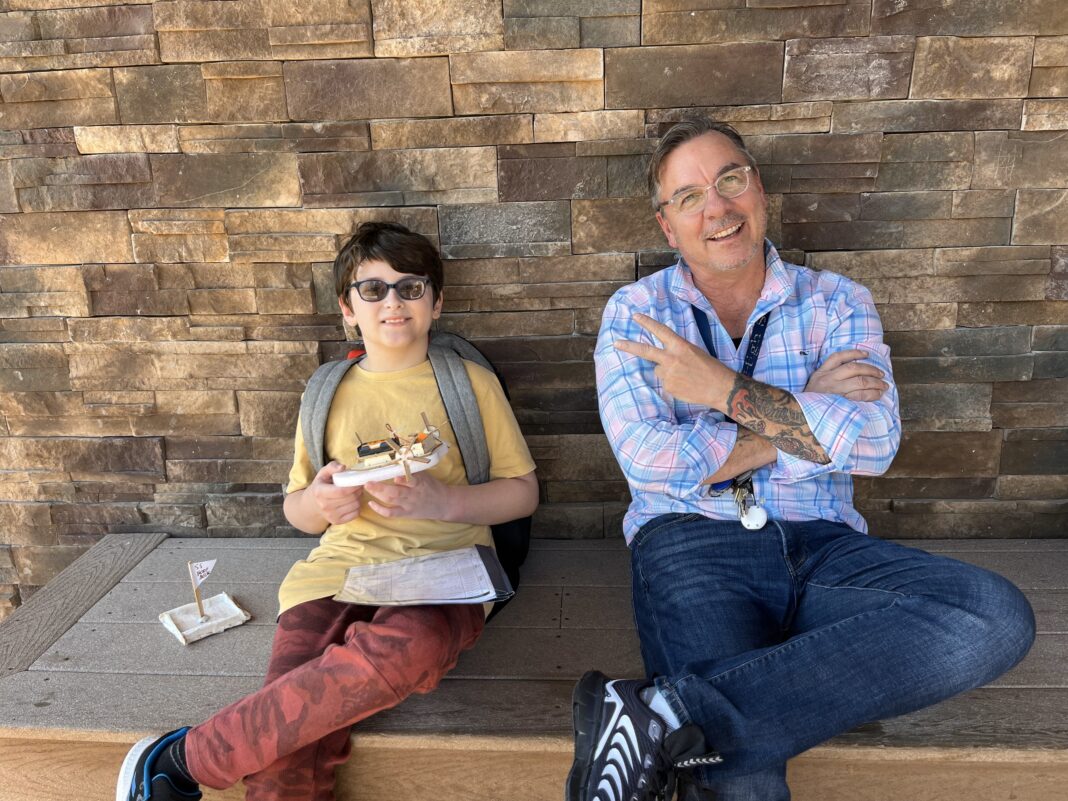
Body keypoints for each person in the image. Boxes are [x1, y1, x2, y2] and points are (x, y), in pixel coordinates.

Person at [565, 119, 1036, 801]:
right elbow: (652, 465)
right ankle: (691, 718)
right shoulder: (636, 315)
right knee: (740, 779)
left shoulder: (838, 301)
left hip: (825, 547)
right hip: (693, 548)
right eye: (689, 196)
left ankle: (664, 715)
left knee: (994, 616)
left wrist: (721, 391)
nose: (717, 208)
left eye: (730, 180)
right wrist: (807, 407)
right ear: (668, 226)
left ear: (758, 188)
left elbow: (874, 443)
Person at [117, 222, 539, 801]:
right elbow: (300, 513)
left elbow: (523, 492)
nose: (393, 301)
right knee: (288, 740)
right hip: (333, 575)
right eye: (373, 289)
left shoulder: (470, 385)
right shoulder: (326, 392)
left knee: (408, 651)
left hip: (447, 572)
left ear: (436, 302)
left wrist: (447, 501)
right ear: (348, 308)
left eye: (411, 287)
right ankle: (177, 761)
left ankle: (185, 759)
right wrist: (321, 501)